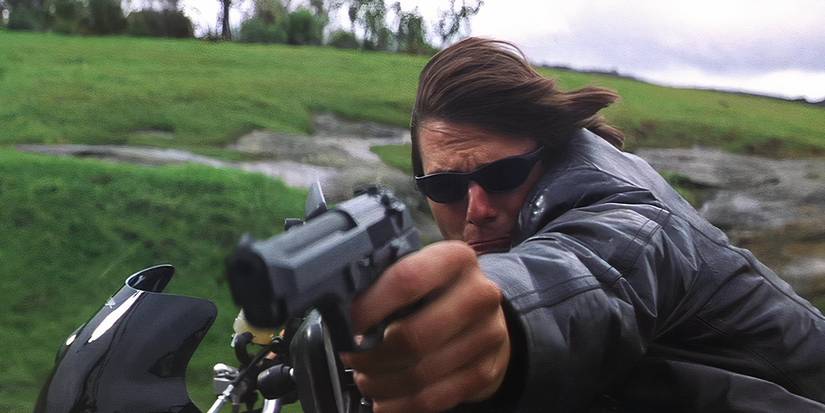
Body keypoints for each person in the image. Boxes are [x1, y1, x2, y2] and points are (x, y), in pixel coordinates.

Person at [340, 37, 825, 412]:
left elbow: (579, 274)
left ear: (547, 152)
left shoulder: (626, 212)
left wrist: (504, 321)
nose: (477, 208)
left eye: (502, 174)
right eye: (445, 187)